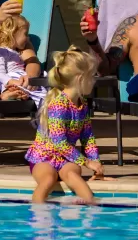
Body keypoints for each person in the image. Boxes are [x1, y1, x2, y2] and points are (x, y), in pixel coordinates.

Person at [26, 47, 103, 204]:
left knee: (73, 176)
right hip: (43, 157)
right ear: (81, 79)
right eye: (93, 76)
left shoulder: (82, 105)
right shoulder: (59, 105)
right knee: (48, 179)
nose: (95, 81)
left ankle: (92, 212)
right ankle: (39, 217)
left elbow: (87, 137)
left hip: (66, 159)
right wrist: (86, 162)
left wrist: (96, 164)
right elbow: (59, 142)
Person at [0, 15, 47, 106]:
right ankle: (6, 94)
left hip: (20, 79)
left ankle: (20, 95)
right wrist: (10, 81)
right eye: (26, 34)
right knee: (11, 82)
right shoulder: (1, 50)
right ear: (13, 33)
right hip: (12, 79)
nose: (28, 38)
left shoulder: (18, 52)